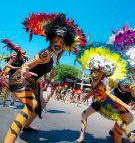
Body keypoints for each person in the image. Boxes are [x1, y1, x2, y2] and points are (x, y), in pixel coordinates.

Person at [4, 13, 86, 143]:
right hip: (19, 79)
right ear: (51, 40)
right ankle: (9, 139)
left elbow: (60, 53)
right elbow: (26, 64)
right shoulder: (45, 54)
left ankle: (26, 126)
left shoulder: (55, 55)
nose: (58, 43)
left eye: (61, 41)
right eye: (56, 40)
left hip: (32, 83)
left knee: (40, 106)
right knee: (31, 105)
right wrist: (25, 71)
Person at [76, 47, 135, 143]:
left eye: (97, 74)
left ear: (102, 75)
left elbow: (112, 96)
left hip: (107, 103)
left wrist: (127, 106)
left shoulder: (105, 83)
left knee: (124, 123)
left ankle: (127, 138)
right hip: (99, 102)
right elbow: (95, 87)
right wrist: (89, 94)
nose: (95, 75)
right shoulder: (92, 79)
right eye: (94, 73)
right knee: (84, 115)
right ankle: (81, 138)